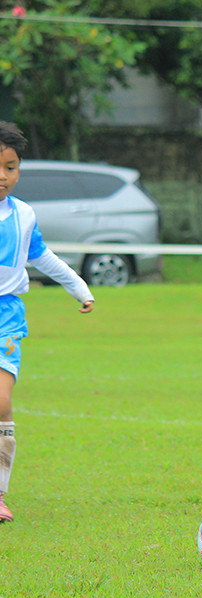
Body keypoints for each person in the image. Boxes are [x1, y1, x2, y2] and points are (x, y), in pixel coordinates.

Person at [0, 121, 95, 523]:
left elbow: (42, 257)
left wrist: (79, 288)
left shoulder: (23, 216)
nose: (3, 175)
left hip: (6, 316)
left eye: (11, 166)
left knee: (1, 401)